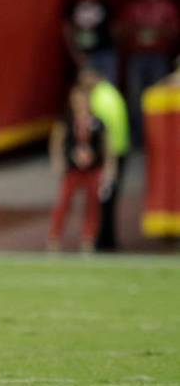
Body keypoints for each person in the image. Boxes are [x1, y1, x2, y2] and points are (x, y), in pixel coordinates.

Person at [47, 86, 116, 252]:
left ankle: (88, 240)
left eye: (83, 100)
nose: (80, 104)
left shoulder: (98, 122)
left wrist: (110, 169)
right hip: (72, 169)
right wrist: (59, 163)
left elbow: (107, 147)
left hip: (93, 169)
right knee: (64, 202)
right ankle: (54, 239)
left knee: (92, 205)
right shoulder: (66, 121)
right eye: (77, 100)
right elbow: (56, 142)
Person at [118, 0, 178, 146]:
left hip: (159, 57)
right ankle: (138, 137)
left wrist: (158, 32)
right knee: (135, 97)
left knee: (159, 96)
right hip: (137, 57)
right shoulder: (134, 7)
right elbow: (122, 30)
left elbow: (174, 31)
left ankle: (159, 137)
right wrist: (136, 33)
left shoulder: (167, 7)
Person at [78, 68, 129, 251]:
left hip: (111, 154)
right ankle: (108, 240)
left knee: (103, 199)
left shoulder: (99, 99)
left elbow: (103, 131)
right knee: (109, 198)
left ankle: (103, 241)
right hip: (120, 149)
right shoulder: (110, 92)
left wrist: (106, 159)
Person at [63, 0, 116, 84]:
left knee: (107, 89)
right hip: (84, 57)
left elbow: (115, 29)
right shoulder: (73, 7)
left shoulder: (104, 4)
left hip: (105, 54)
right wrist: (76, 55)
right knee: (86, 93)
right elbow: (67, 32)